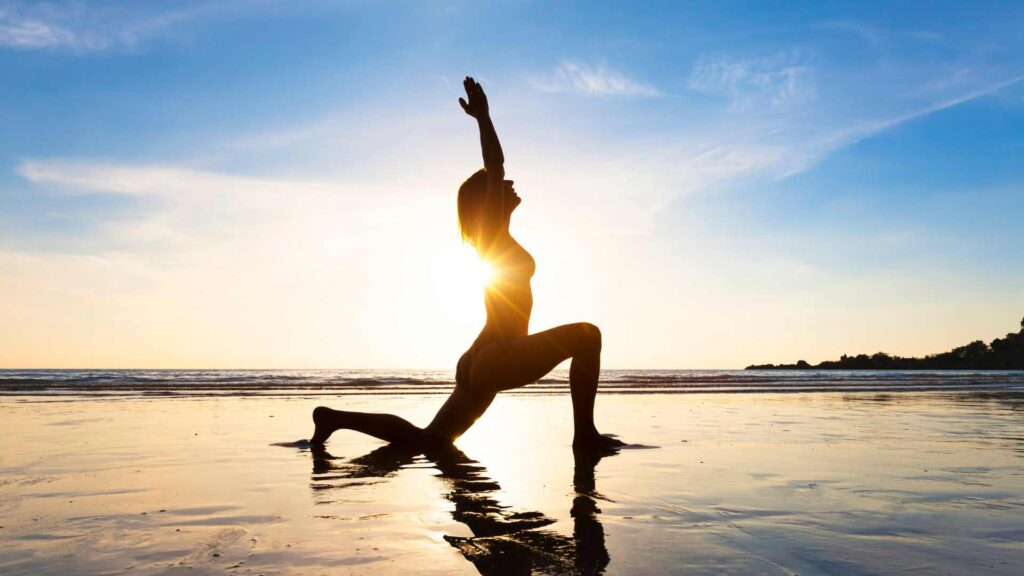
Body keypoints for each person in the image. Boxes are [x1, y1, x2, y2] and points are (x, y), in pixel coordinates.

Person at [309, 76, 622, 451]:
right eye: (498, 187)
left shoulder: (494, 241)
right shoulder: (491, 234)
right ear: (486, 201)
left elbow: (497, 305)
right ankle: (584, 436)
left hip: (488, 353)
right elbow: (496, 165)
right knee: (588, 335)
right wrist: (483, 118)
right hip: (502, 355)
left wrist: (475, 349)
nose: (508, 185)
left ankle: (334, 418)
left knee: (433, 441)